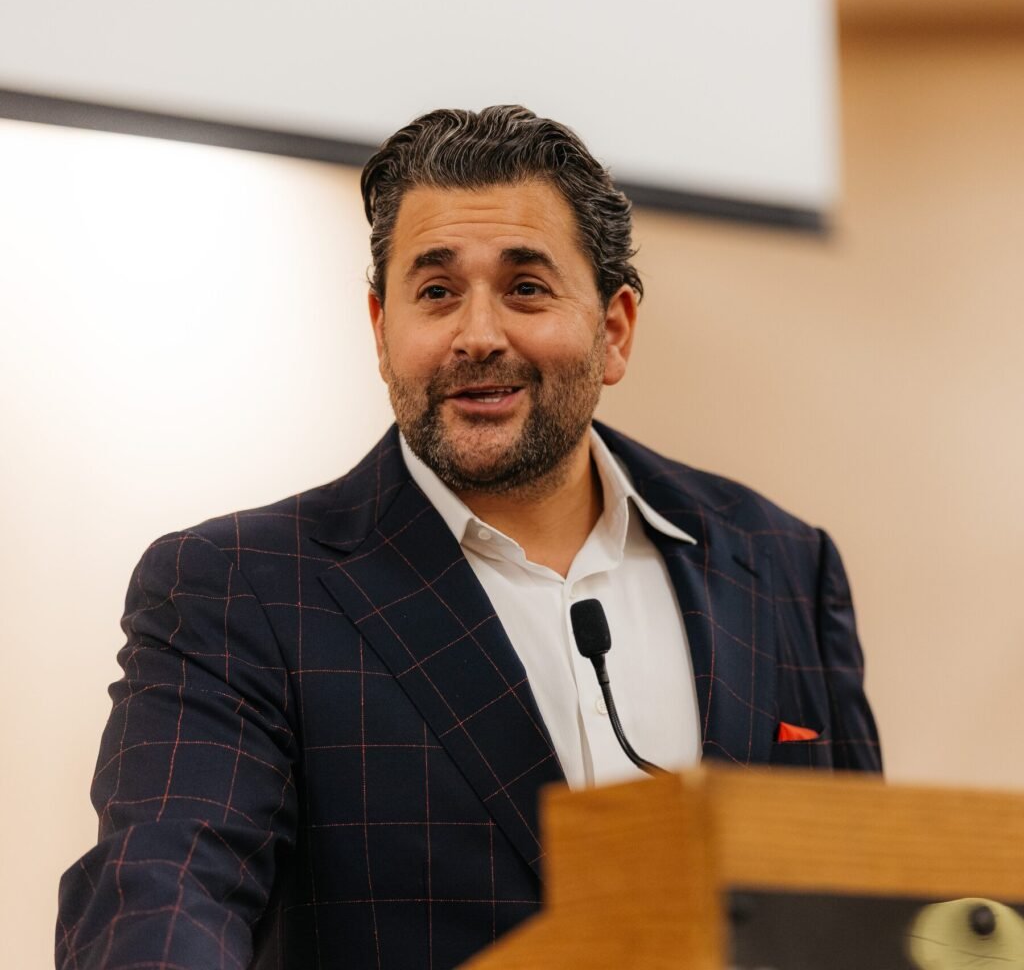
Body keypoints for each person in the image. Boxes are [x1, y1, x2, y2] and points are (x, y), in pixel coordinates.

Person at [56, 105, 881, 970]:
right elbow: (162, 890)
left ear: (614, 330)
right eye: (437, 293)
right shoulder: (239, 588)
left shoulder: (781, 565)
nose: (478, 336)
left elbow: (876, 898)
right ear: (382, 331)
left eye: (526, 288)